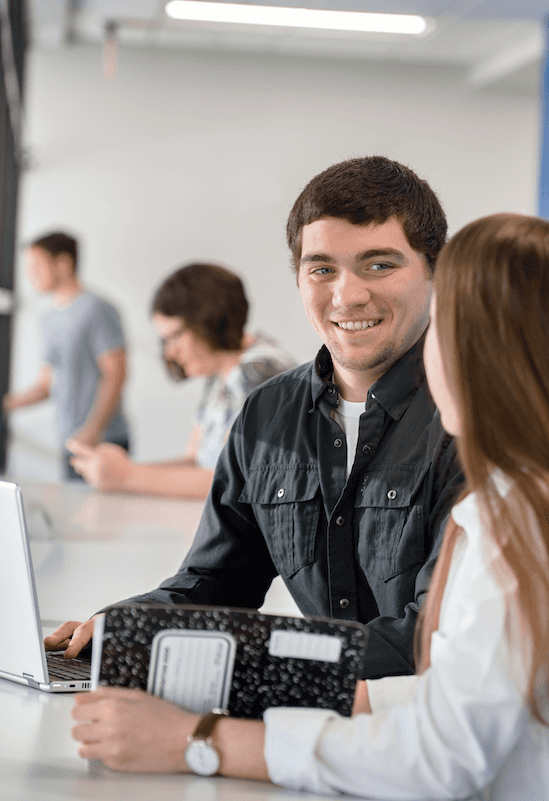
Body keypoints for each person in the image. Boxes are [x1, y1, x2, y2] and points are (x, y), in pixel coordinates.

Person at [67, 213, 549, 798]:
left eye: (442, 328)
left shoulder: (523, 521)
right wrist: (265, 691)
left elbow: (444, 753)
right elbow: (461, 690)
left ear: (487, 355)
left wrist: (200, 739)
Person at [45, 156, 465, 682]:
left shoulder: (473, 423)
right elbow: (218, 579)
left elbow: (429, 639)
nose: (348, 294)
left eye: (380, 264)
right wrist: (132, 625)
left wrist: (249, 662)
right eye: (321, 269)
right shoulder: (268, 414)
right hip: (317, 714)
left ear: (435, 269)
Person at [68, 262, 297, 500]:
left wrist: (128, 475)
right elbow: (197, 463)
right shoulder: (222, 373)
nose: (168, 353)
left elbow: (239, 481)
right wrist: (116, 471)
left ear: (209, 321)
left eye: (174, 337)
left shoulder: (261, 374)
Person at [4, 232, 130, 480]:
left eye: (36, 266)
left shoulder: (96, 310)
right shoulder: (48, 317)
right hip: (68, 440)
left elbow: (116, 373)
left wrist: (92, 430)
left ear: (63, 264)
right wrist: (5, 404)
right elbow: (47, 383)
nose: (30, 274)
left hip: (101, 441)